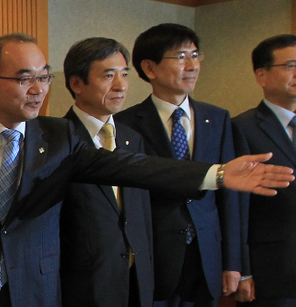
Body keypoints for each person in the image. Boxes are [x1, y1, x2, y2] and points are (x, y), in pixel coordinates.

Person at [0, 32, 293, 307]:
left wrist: (217, 175)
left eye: (43, 77)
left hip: (36, 289)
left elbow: (131, 168)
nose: (38, 89)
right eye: (25, 79)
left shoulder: (58, 136)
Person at [115, 23, 241, 307]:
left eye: (195, 55)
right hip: (155, 255)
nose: (192, 65)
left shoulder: (217, 118)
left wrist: (232, 262)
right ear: (149, 68)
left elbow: (230, 195)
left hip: (207, 254)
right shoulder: (126, 124)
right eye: (181, 57)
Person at [60, 37, 153, 307]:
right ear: (77, 83)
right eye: (109, 76)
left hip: (136, 280)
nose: (121, 86)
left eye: (124, 75)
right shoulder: (57, 141)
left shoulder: (132, 138)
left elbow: (141, 216)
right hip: (84, 285)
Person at [232, 34, 296, 307]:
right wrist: (243, 269)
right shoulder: (241, 128)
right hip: (274, 271)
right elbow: (236, 207)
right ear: (262, 75)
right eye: (291, 65)